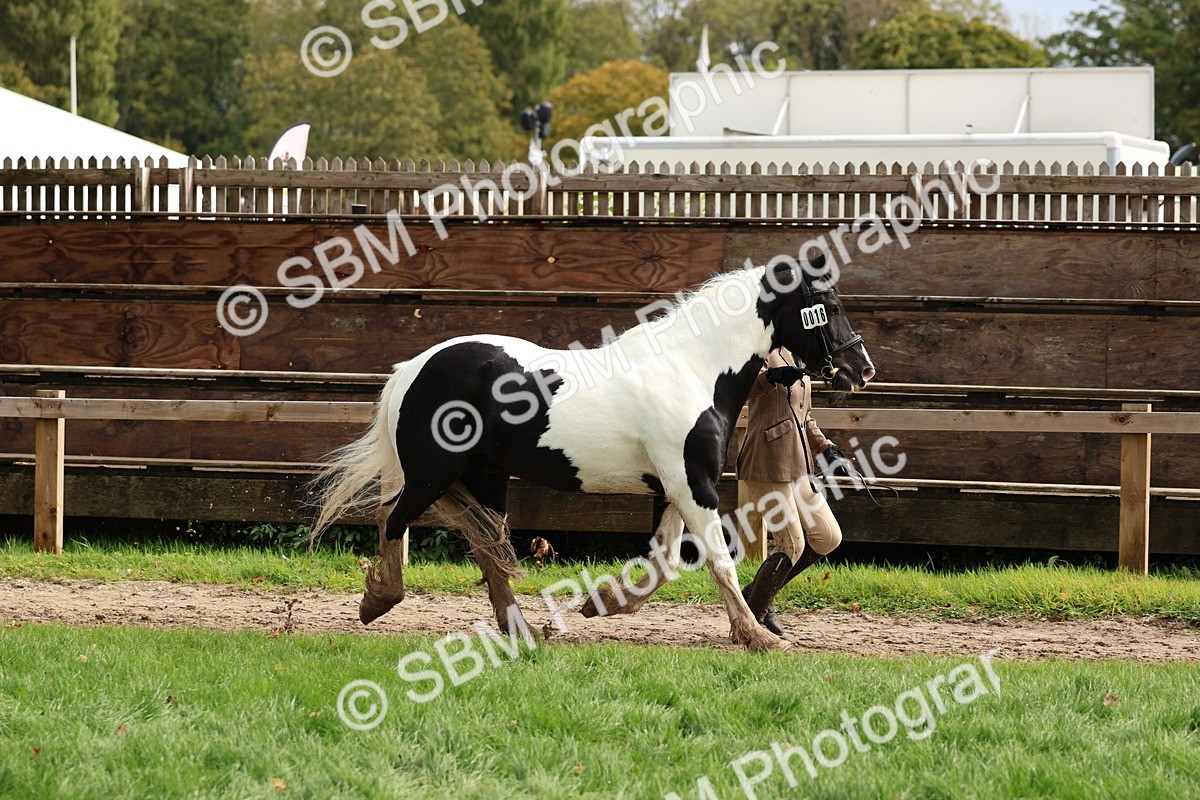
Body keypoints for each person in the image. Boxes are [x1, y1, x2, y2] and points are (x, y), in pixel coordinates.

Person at [737, 348, 849, 639]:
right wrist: (770, 377)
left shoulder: (798, 354)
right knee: (791, 544)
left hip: (798, 463)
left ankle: (757, 593)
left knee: (827, 537)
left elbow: (805, 416)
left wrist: (826, 448)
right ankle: (755, 620)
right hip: (765, 461)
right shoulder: (759, 348)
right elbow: (738, 389)